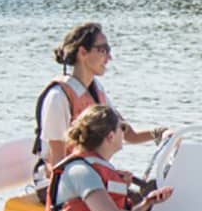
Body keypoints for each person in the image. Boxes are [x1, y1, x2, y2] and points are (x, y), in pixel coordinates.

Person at [33, 23, 170, 178]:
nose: (109, 57)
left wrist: (160, 133)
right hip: (57, 184)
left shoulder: (97, 91)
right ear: (82, 52)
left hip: (86, 176)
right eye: (103, 50)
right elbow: (57, 163)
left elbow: (129, 134)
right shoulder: (58, 97)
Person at [43, 105, 176, 211]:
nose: (125, 134)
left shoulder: (97, 168)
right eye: (122, 128)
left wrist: (147, 203)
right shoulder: (82, 171)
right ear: (110, 136)